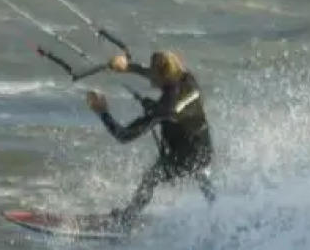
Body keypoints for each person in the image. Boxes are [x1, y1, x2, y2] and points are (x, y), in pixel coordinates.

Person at [86, 49, 216, 227]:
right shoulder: (187, 78)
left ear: (160, 76)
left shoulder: (164, 109)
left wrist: (102, 112)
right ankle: (217, 209)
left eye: (152, 74)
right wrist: (127, 67)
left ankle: (126, 220)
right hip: (205, 150)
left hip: (186, 157)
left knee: (151, 178)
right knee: (200, 172)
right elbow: (153, 71)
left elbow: (124, 136)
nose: (149, 78)